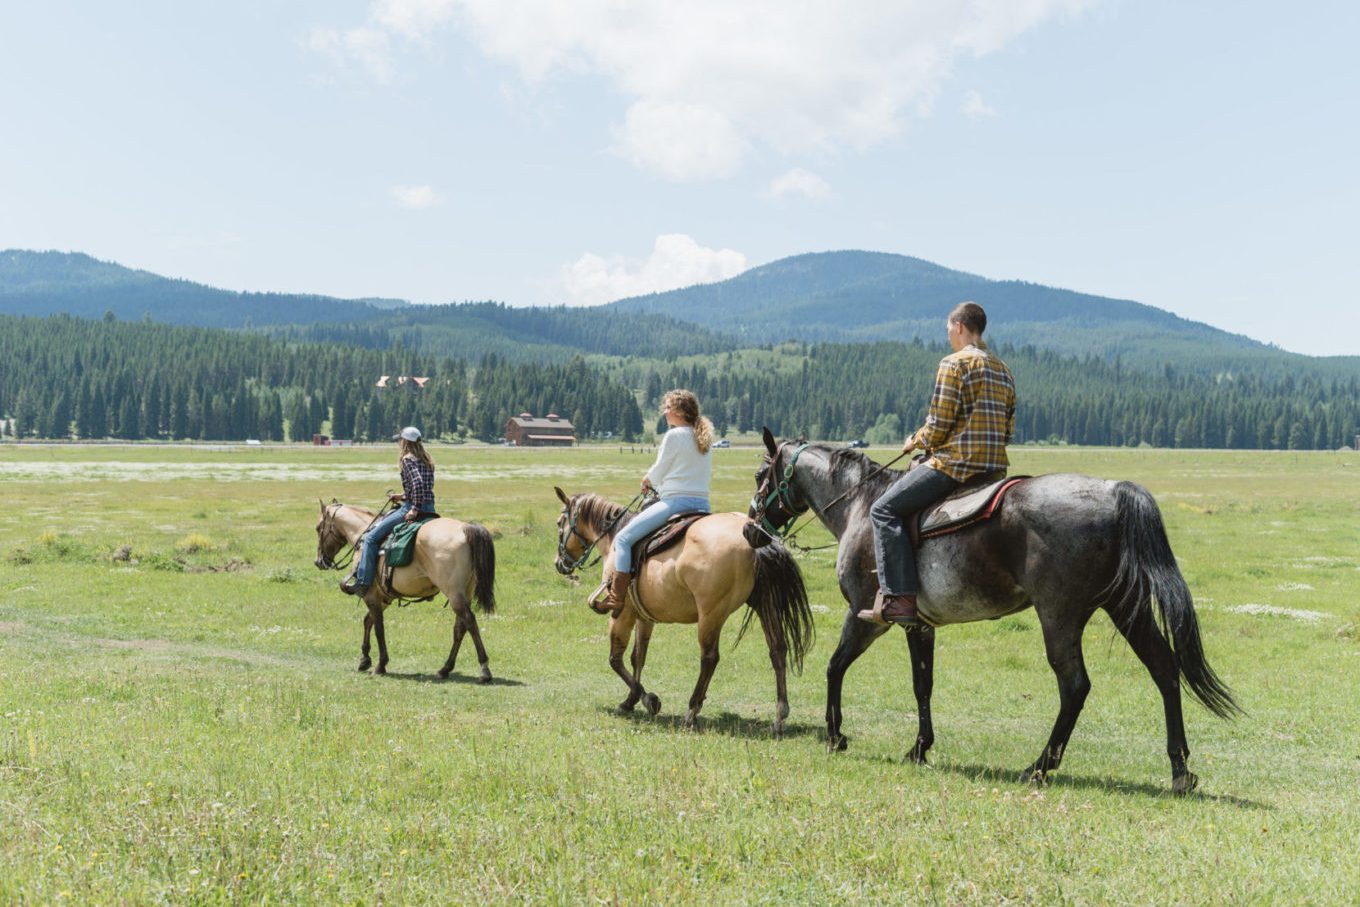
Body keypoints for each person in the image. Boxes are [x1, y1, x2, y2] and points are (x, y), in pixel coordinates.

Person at [860, 301, 1016, 627]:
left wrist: (914, 442)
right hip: (994, 471)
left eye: (948, 329)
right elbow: (1008, 430)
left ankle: (900, 598)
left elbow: (939, 424)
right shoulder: (1004, 369)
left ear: (959, 326)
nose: (948, 335)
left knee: (883, 510)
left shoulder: (953, 364)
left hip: (954, 467)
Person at [603, 389, 714, 616]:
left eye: (668, 408)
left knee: (623, 539)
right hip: (703, 505)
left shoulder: (674, 436)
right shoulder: (703, 436)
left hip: (675, 503)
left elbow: (660, 468)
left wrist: (647, 479)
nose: (665, 412)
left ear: (680, 411)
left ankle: (616, 599)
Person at [341, 425, 437, 596]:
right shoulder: (427, 459)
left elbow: (418, 484)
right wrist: (402, 495)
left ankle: (363, 582)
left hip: (414, 508)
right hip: (430, 508)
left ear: (405, 442)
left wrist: (414, 508)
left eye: (401, 440)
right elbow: (424, 487)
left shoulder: (408, 459)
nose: (399, 443)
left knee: (370, 538)